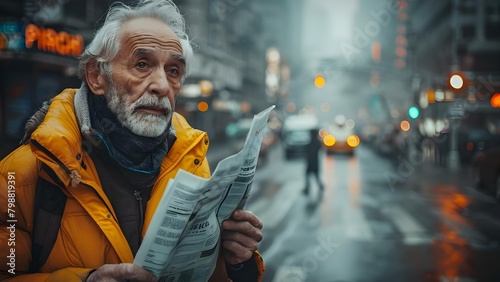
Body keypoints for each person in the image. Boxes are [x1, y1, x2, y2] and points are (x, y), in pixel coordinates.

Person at [0, 0, 265, 281]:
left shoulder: (190, 161)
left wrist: (235, 263)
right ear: (96, 76)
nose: (162, 85)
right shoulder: (20, 175)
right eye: (142, 64)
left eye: (173, 71)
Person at [303, 128, 324, 195]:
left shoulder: (312, 141)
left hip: (311, 162)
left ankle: (307, 188)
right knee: (316, 176)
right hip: (315, 162)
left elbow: (307, 150)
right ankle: (319, 186)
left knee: (308, 175)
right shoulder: (317, 141)